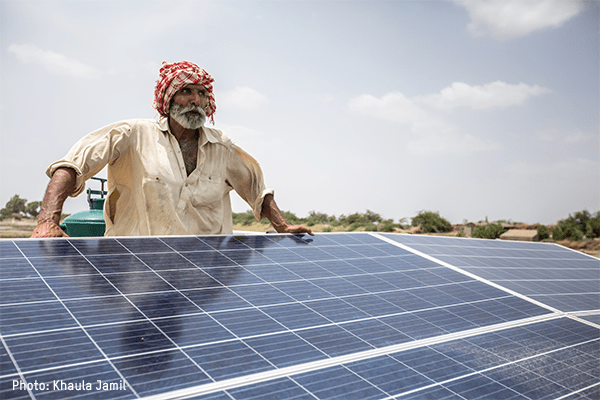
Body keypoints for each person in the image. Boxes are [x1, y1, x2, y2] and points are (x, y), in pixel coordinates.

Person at [31, 61, 313, 238]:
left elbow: (256, 188)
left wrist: (283, 225)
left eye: (202, 94)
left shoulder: (222, 146)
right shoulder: (132, 134)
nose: (195, 100)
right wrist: (47, 220)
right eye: (186, 92)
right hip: (136, 268)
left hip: (204, 268)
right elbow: (71, 166)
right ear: (169, 100)